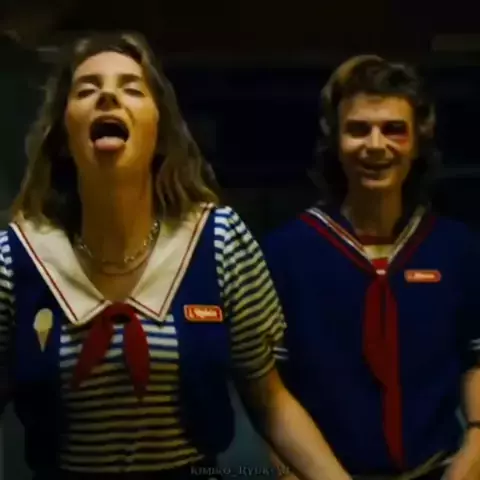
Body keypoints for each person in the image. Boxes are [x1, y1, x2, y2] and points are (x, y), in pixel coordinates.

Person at [0, 32, 352, 480]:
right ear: (64, 138)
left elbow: (271, 402)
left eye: (131, 88)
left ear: (160, 135)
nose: (107, 96)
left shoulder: (219, 241)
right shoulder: (15, 259)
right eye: (87, 89)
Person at [264, 56, 480, 480]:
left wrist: (475, 446)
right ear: (335, 140)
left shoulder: (455, 248)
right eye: (358, 129)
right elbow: (269, 393)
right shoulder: (286, 253)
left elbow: (475, 357)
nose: (376, 145)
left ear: (418, 140)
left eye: (394, 129)